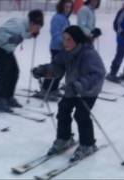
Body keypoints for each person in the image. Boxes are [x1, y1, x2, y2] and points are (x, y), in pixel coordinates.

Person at [32, 26, 106, 162]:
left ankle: (88, 144)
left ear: (77, 40)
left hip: (88, 90)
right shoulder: (65, 52)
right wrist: (43, 70)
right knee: (63, 109)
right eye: (64, 39)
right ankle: (65, 138)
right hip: (72, 88)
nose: (65, 42)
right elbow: (57, 67)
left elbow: (98, 74)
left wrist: (80, 85)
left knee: (81, 115)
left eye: (69, 39)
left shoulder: (88, 54)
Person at [0, 9, 44, 112]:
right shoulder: (17, 24)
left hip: (7, 50)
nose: (37, 30)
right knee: (4, 73)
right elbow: (0, 32)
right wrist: (11, 38)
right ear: (32, 23)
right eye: (38, 27)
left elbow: (24, 34)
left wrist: (30, 35)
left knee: (14, 72)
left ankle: (8, 97)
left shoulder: (27, 27)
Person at [34, 0, 74, 101]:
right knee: (54, 70)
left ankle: (53, 88)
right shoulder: (57, 18)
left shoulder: (65, 18)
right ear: (61, 7)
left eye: (69, 7)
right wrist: (64, 42)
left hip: (64, 48)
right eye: (66, 7)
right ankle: (45, 89)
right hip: (57, 47)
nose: (68, 9)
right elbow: (55, 34)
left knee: (60, 70)